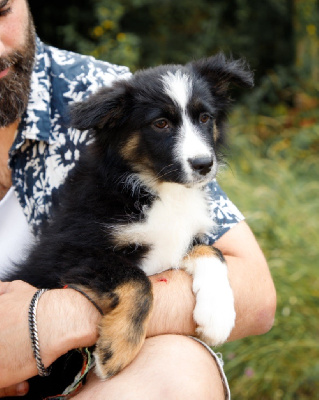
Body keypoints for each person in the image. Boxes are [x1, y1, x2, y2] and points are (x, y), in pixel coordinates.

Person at [0, 0, 276, 398]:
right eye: (163, 124)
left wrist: (50, 319)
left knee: (177, 368)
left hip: (78, 377)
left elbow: (257, 292)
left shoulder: (110, 90)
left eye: (1, 10)